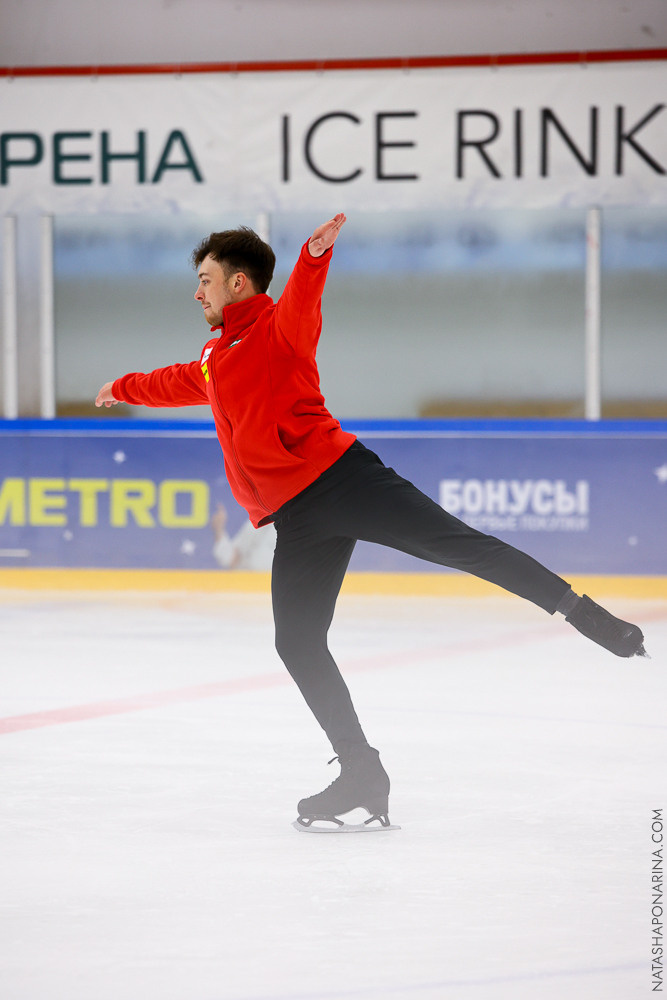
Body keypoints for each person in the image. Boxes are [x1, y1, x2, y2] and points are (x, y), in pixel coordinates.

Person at [95, 213, 647, 833]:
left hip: (345, 481)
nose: (197, 292)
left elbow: (304, 301)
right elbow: (176, 382)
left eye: (205, 280)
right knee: (296, 641)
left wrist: (312, 256)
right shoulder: (214, 355)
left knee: (463, 547)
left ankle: (586, 614)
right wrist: (124, 386)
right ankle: (362, 773)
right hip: (299, 519)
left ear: (239, 284)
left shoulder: (279, 330)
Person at [210, 503, 276, 571]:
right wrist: (219, 530)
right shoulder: (259, 522)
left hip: (279, 579)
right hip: (250, 579)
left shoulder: (286, 526)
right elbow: (232, 558)